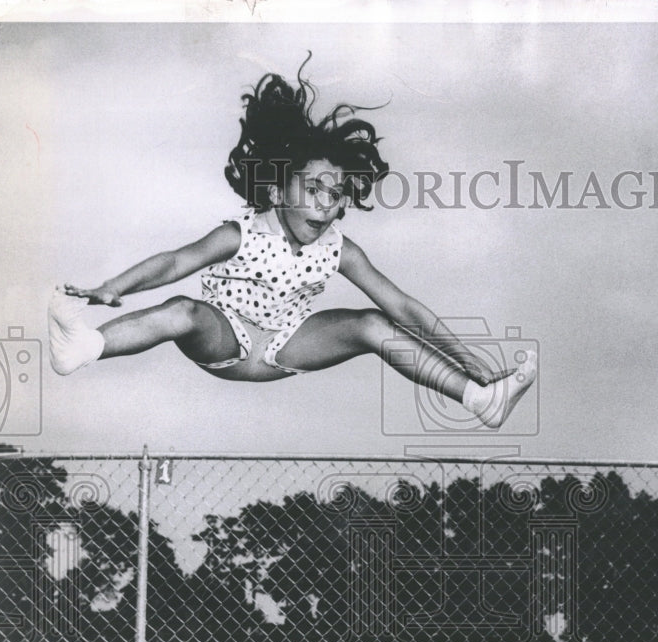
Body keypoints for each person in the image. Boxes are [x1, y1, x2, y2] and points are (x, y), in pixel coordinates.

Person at [49, 59, 535, 428]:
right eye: (313, 190)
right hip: (226, 338)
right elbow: (176, 261)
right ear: (280, 192)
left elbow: (403, 306)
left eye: (336, 194)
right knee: (182, 308)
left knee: (371, 323)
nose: (324, 206)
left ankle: (477, 399)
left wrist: (473, 363)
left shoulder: (339, 249)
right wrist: (115, 286)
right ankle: (86, 346)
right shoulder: (242, 234)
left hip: (287, 348)